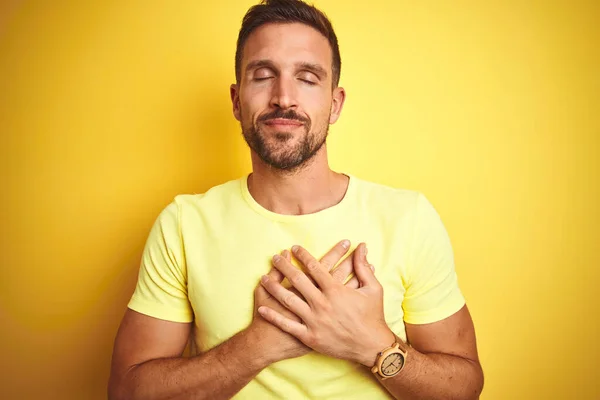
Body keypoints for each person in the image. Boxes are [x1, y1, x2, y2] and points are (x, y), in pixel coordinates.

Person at [108, 0, 484, 399]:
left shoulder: (408, 218)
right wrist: (257, 346)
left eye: (307, 77)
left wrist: (372, 344)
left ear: (334, 103)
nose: (283, 97)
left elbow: (463, 389)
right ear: (236, 101)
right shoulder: (184, 224)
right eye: (263, 75)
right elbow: (127, 392)